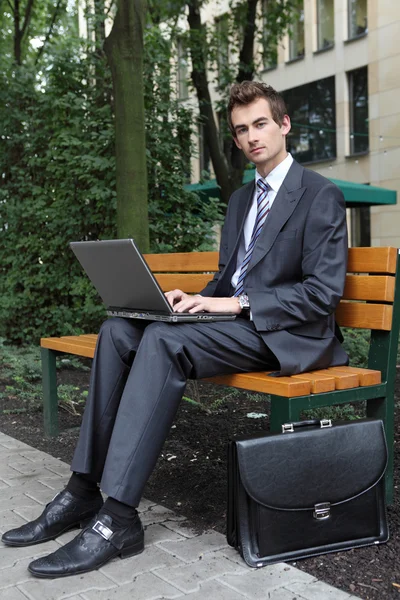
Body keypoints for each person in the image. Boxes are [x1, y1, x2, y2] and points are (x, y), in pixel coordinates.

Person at [2, 81, 349, 578]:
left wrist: (228, 303)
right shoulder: (240, 201)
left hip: (288, 334)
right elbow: (231, 275)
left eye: (260, 124)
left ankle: (118, 518)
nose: (251, 137)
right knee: (120, 330)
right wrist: (188, 301)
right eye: (241, 130)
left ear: (284, 124)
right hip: (239, 324)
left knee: (165, 342)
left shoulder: (319, 195)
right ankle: (82, 490)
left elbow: (321, 294)